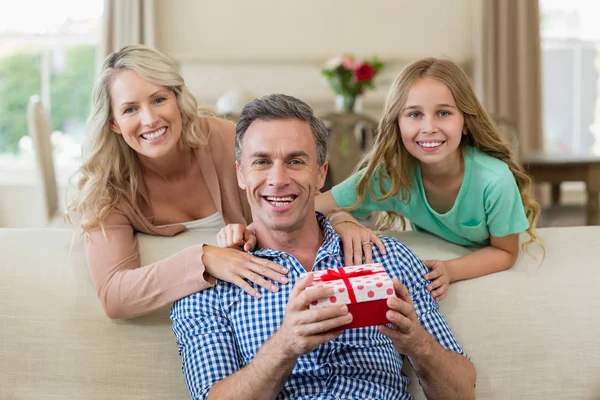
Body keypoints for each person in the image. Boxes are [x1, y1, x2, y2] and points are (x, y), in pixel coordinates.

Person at [171, 94, 476, 399]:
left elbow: (462, 392)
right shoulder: (207, 285)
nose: (277, 179)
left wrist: (417, 343)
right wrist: (285, 346)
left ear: (320, 174)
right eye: (262, 162)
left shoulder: (388, 258)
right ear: (240, 173)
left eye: (295, 161)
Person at [220, 57, 543, 302]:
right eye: (414, 114)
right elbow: (307, 205)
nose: (428, 127)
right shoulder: (388, 177)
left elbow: (506, 252)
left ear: (466, 122)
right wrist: (247, 232)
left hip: (493, 247)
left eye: (444, 113)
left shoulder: (493, 180)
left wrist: (451, 269)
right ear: (397, 124)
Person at [67, 45, 288, 319]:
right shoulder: (108, 189)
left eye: (159, 99)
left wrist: (342, 220)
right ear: (114, 123)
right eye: (130, 109)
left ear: (177, 98)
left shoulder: (227, 140)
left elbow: (293, 203)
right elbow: (115, 296)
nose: (149, 119)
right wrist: (205, 258)